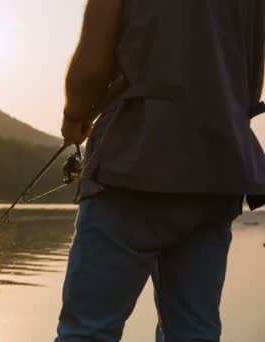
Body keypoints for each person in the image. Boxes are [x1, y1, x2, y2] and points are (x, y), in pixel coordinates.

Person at [55, 1, 265, 341]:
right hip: (220, 170)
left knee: (87, 332)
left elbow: (91, 70)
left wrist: (74, 115)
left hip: (133, 166)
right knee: (194, 332)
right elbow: (251, 83)